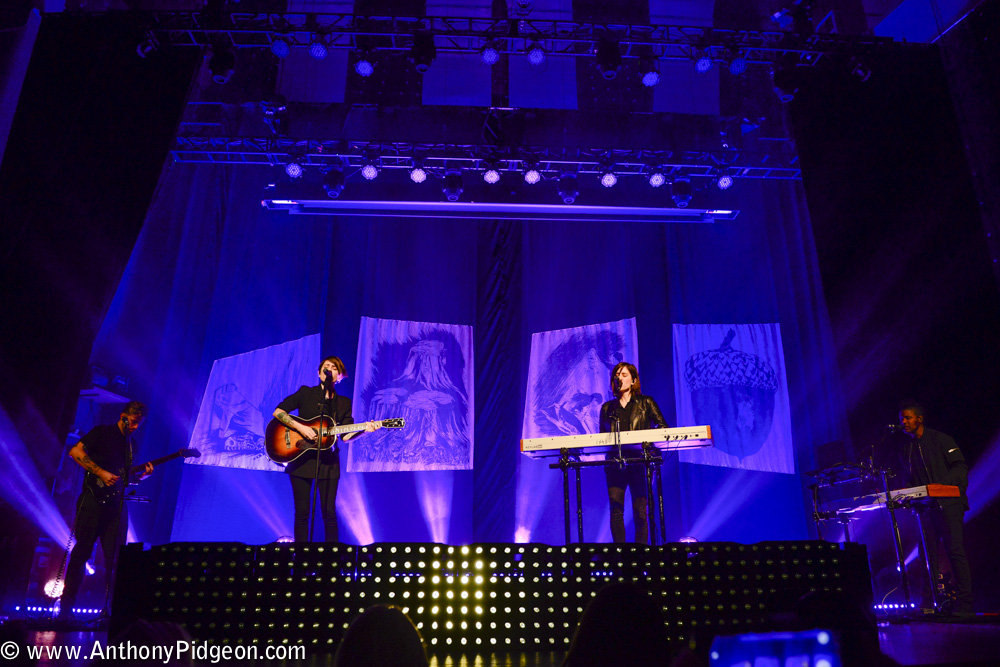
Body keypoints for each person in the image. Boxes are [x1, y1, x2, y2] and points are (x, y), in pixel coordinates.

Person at [59, 400, 153, 618]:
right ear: (123, 416)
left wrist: (142, 476)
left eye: (140, 423)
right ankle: (66, 609)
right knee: (82, 552)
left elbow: (125, 478)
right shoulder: (102, 432)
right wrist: (100, 472)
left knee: (117, 559)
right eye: (133, 421)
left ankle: (110, 610)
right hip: (92, 501)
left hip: (116, 504)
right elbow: (75, 452)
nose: (136, 426)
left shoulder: (132, 445)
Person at [273, 356, 379, 543]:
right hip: (301, 459)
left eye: (333, 368)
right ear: (319, 372)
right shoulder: (306, 393)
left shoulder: (343, 403)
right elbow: (279, 412)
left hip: (328, 464)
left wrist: (365, 430)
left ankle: (331, 560)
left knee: (329, 513)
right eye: (325, 366)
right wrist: (301, 428)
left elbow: (345, 436)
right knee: (302, 513)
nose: (328, 369)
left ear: (340, 376)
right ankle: (301, 558)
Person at [897, 401, 973, 617]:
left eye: (908, 418)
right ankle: (929, 603)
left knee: (955, 551)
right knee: (926, 556)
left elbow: (960, 467)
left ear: (919, 419)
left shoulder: (941, 439)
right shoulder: (906, 449)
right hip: (925, 510)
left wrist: (939, 487)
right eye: (901, 418)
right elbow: (909, 479)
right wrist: (907, 495)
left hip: (948, 505)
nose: (903, 422)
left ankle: (965, 605)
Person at [598, 362, 668, 544]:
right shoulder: (607, 408)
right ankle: (621, 555)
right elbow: (601, 439)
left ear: (634, 379)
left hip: (639, 463)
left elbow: (663, 428)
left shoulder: (646, 402)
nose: (619, 378)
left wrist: (648, 446)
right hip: (615, 464)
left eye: (624, 374)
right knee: (615, 509)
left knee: (639, 511)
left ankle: (640, 557)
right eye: (617, 375)